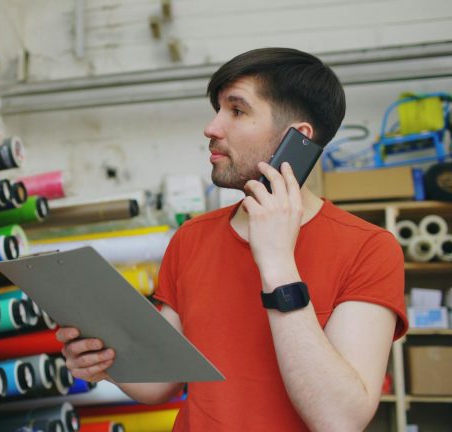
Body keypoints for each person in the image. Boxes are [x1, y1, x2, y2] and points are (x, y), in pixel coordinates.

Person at [56, 47, 407, 431]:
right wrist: (105, 362)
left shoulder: (369, 249)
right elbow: (160, 383)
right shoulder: (192, 238)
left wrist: (277, 263)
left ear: (298, 138)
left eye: (237, 111)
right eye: (217, 110)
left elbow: (339, 420)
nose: (212, 128)